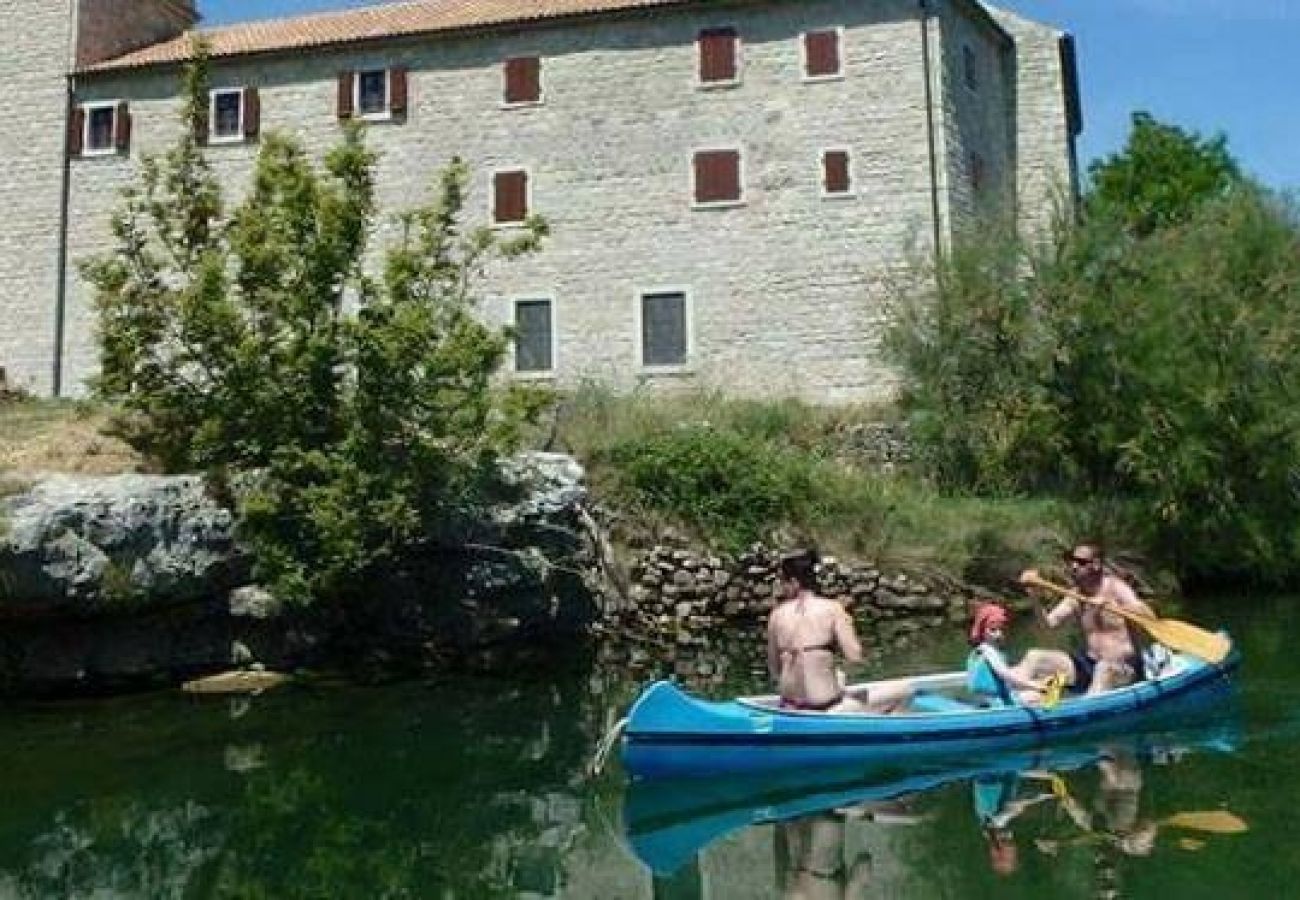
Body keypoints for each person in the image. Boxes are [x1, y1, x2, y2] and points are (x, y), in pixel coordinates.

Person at [766, 549, 910, 713]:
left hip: (789, 706)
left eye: (783, 583)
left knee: (837, 678)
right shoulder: (832, 609)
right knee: (904, 689)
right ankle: (885, 735)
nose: (782, 589)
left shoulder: (776, 615)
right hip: (823, 709)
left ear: (794, 582)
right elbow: (855, 656)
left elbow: (775, 669)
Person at [1017, 544, 1157, 696]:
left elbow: (1149, 616)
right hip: (1089, 665)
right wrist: (1034, 597)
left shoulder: (1116, 587)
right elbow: (1047, 626)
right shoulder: (1075, 596)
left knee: (1104, 669)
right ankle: (1017, 704)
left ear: (1096, 564)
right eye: (1072, 561)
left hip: (1123, 667)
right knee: (1035, 657)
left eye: (1081, 562)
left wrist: (1109, 604)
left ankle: (1085, 709)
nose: (1074, 566)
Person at [966, 602, 1051, 706]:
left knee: (1030, 687)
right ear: (982, 631)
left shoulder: (979, 650)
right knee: (1039, 695)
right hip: (997, 701)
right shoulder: (989, 651)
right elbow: (1004, 674)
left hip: (983, 699)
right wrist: (1034, 685)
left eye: (1001, 629)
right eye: (992, 630)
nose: (998, 634)